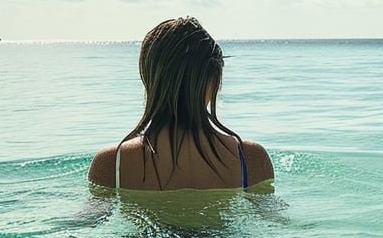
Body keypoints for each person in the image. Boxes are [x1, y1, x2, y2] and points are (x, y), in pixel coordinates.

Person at [89, 17, 272, 194]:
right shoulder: (250, 159)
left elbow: (86, 222)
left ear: (148, 78)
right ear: (215, 80)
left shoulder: (113, 164)